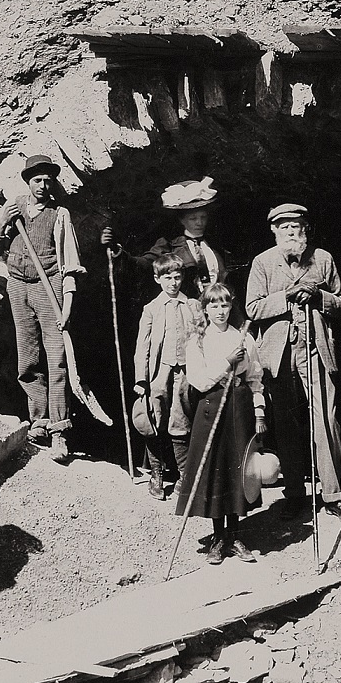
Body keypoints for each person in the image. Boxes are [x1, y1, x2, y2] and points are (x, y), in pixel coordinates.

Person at [245, 204, 341, 525]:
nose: (291, 233)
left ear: (306, 229)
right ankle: (295, 494)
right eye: (284, 228)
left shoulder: (322, 258)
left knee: (325, 418)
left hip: (315, 347)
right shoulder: (262, 263)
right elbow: (252, 308)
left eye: (296, 227)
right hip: (280, 354)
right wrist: (286, 296)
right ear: (274, 231)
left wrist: (319, 297)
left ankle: (334, 495)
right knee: (287, 422)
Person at [0, 154, 85, 458]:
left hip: (49, 287)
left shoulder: (60, 214)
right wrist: (3, 222)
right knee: (27, 360)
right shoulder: (13, 209)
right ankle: (38, 420)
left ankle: (60, 430)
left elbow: (70, 264)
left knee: (56, 361)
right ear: (27, 181)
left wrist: (67, 304)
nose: (43, 185)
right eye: (37, 180)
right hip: (18, 288)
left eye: (48, 180)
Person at [177, 283, 268, 564]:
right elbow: (200, 380)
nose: (220, 311)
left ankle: (235, 536)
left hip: (239, 409)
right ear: (205, 309)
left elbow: (255, 377)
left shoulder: (244, 338)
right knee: (216, 470)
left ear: (232, 307)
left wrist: (260, 410)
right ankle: (218, 539)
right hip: (211, 407)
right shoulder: (198, 342)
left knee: (237, 470)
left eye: (225, 305)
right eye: (214, 305)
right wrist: (227, 362)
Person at [133, 256, 205, 500]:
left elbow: (202, 338)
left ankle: (185, 475)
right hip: (159, 373)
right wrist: (141, 380)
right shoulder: (152, 308)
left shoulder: (193, 305)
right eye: (167, 278)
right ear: (157, 279)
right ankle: (156, 473)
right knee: (153, 419)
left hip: (185, 373)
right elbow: (142, 347)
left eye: (177, 277)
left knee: (180, 422)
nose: (173, 283)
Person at [103, 177, 237, 302]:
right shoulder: (169, 244)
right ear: (182, 220)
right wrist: (118, 251)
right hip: (187, 309)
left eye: (203, 217)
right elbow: (143, 264)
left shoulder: (215, 243)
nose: (199, 223)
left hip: (219, 309)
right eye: (193, 218)